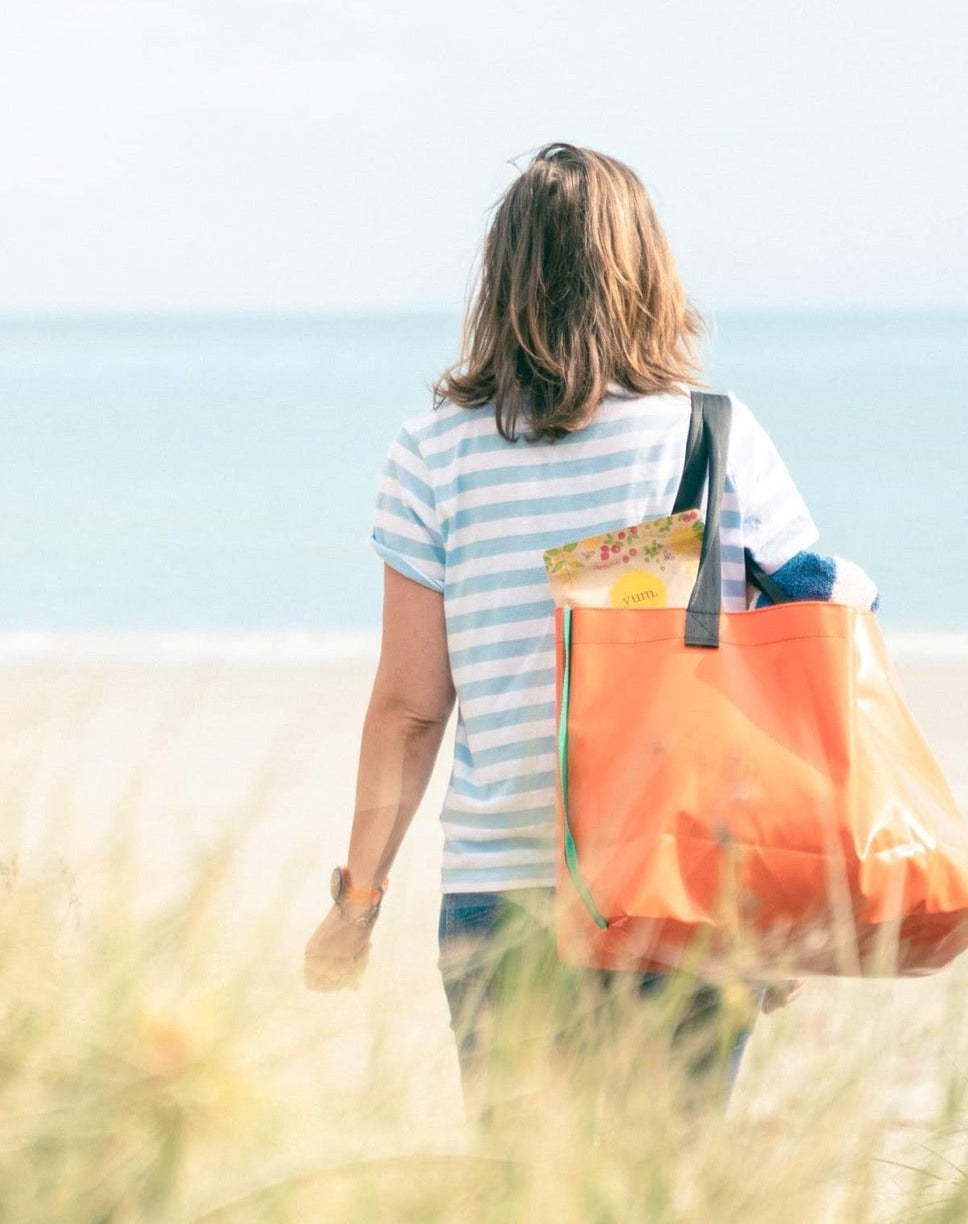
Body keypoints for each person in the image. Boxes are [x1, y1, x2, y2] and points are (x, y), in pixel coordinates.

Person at [302, 143, 813, 1128]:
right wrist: (779, 896)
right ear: (645, 272)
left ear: (504, 281)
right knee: (672, 1190)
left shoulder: (432, 454)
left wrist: (358, 902)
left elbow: (410, 710)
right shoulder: (716, 436)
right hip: (683, 884)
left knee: (524, 1187)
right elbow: (794, 669)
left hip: (502, 896)